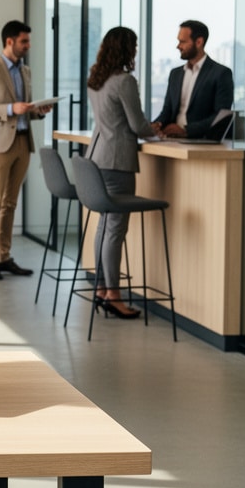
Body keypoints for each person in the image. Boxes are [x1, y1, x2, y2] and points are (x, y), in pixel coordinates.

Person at [0, 20, 52, 281]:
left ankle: (4, 257)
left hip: (22, 141)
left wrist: (37, 112)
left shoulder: (25, 71)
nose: (28, 46)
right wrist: (9, 109)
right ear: (10, 41)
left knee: (10, 202)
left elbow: (23, 109)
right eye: (24, 41)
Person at [85, 27, 151, 320]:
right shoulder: (124, 81)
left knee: (104, 227)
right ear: (126, 49)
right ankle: (113, 294)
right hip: (117, 162)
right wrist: (157, 132)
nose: (136, 51)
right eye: (134, 46)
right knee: (115, 230)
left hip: (97, 158)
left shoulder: (96, 78)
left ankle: (101, 287)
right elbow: (137, 125)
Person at [152, 19, 234, 139]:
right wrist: (157, 124)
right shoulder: (175, 74)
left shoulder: (221, 73)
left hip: (202, 141)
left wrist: (186, 130)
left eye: (183, 42)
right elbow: (167, 110)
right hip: (172, 140)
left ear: (199, 42)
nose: (178, 46)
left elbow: (220, 115)